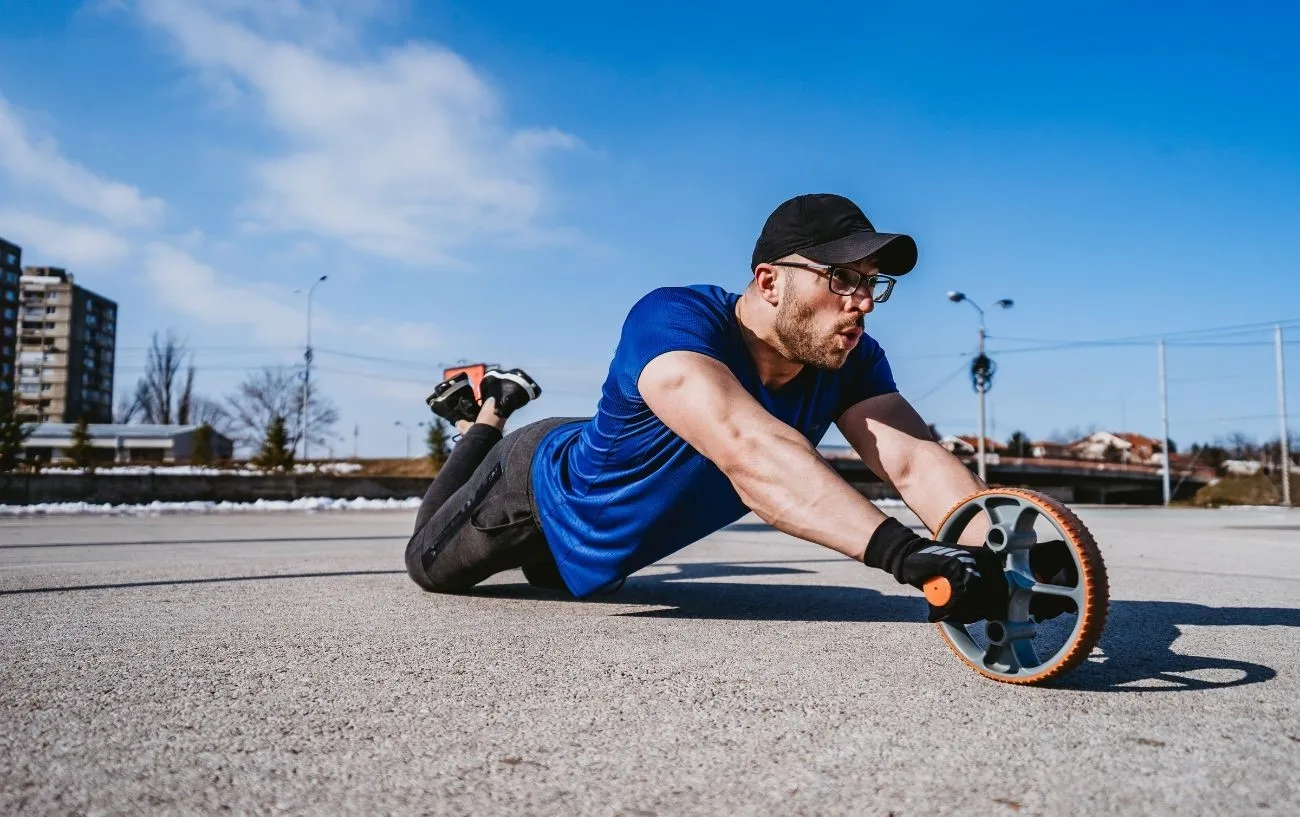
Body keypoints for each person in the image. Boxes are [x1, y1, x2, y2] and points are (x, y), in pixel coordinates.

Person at [405, 193, 1075, 624]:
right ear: (768, 281)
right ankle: (486, 411)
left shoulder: (851, 358)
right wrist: (903, 554)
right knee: (426, 566)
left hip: (598, 550)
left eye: (872, 285)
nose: (862, 303)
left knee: (559, 582)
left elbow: (912, 456)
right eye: (843, 280)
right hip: (538, 494)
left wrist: (999, 550)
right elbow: (748, 449)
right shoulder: (672, 320)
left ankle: (498, 435)